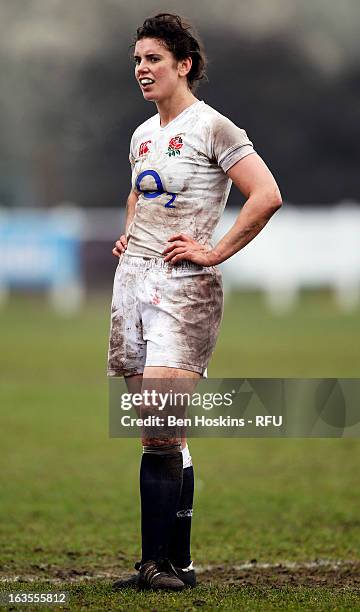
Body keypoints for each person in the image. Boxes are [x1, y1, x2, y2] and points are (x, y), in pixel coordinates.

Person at [108, 13, 282, 591]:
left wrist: (215, 252)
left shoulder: (214, 128)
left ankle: (157, 565)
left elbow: (266, 195)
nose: (141, 69)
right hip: (133, 286)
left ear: (184, 64)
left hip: (184, 290)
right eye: (137, 60)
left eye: (153, 59)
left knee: (161, 426)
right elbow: (139, 191)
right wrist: (130, 230)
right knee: (159, 432)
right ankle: (169, 563)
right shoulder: (141, 135)